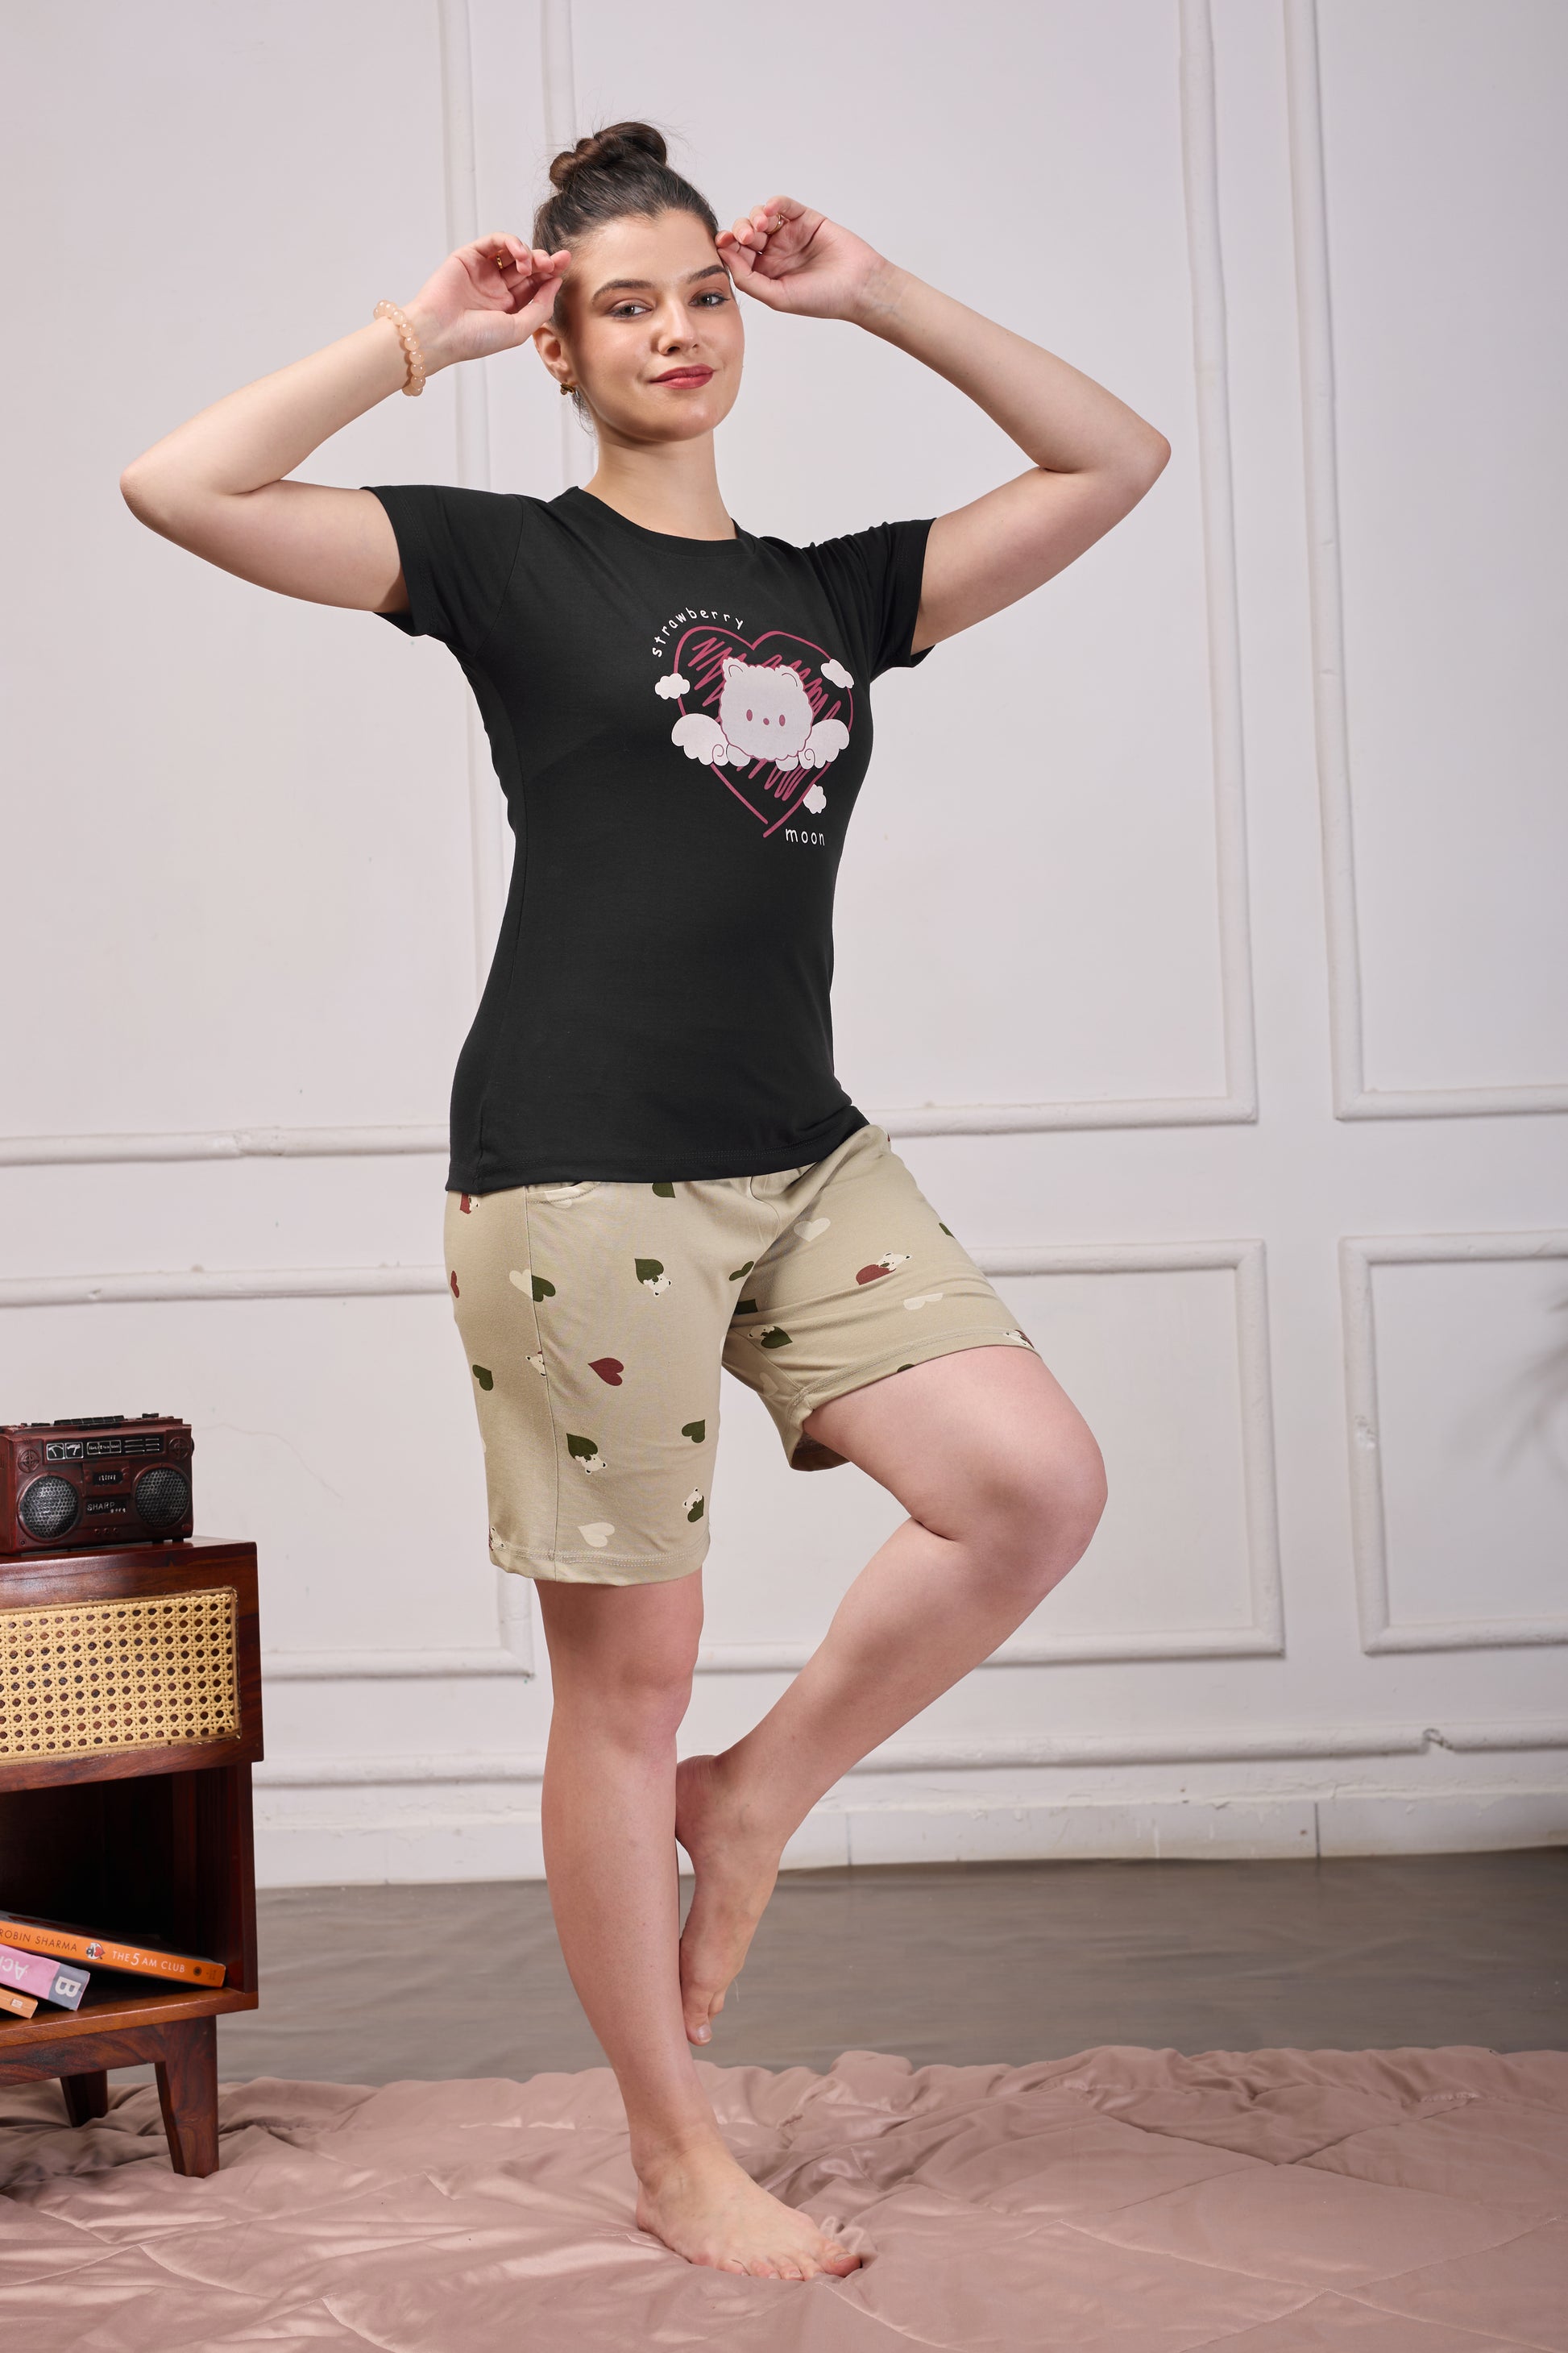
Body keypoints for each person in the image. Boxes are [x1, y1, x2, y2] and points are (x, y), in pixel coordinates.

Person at [121, 121, 1168, 2281]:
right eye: (628, 304)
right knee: (626, 1683)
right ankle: (676, 2151)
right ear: (565, 346)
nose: (679, 330)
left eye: (703, 293)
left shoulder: (834, 594)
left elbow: (1111, 458)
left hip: (801, 1142)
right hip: (581, 1164)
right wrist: (415, 339)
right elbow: (180, 485)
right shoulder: (508, 564)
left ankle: (754, 1799)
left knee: (1031, 1487)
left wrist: (877, 291)